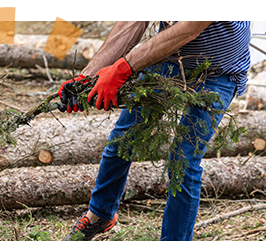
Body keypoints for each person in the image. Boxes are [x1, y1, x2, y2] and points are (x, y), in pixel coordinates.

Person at [58, 21, 251, 241]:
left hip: (219, 72)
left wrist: (123, 68)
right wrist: (89, 75)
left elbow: (189, 28)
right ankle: (100, 215)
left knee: (183, 161)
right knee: (123, 140)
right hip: (167, 58)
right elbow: (131, 23)